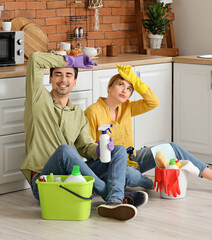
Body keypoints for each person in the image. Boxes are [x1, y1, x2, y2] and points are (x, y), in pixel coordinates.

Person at [20, 52, 147, 221]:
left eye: (68, 75)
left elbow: (85, 148)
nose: (63, 79)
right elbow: (35, 59)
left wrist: (100, 149)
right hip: (44, 182)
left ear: (74, 82)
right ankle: (111, 197)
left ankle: (115, 200)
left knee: (118, 150)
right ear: (50, 79)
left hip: (73, 178)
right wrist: (71, 61)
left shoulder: (78, 114)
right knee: (65, 151)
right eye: (58, 74)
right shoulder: (37, 99)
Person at [84, 65, 212, 194]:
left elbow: (152, 102)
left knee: (173, 148)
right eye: (121, 85)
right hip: (111, 166)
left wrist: (135, 80)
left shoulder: (127, 107)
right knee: (129, 176)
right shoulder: (93, 112)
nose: (125, 91)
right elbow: (88, 148)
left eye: (129, 89)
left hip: (132, 158)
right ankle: (149, 182)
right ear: (109, 88)